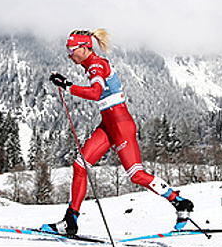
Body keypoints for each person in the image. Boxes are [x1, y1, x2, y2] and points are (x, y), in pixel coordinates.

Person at [41, 28, 194, 235]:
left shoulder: (96, 65)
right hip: (108, 124)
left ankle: (180, 202)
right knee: (80, 165)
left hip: (121, 125)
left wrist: (68, 85)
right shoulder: (90, 65)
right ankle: (70, 220)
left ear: (85, 48)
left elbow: (96, 93)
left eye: (72, 49)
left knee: (136, 175)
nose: (69, 54)